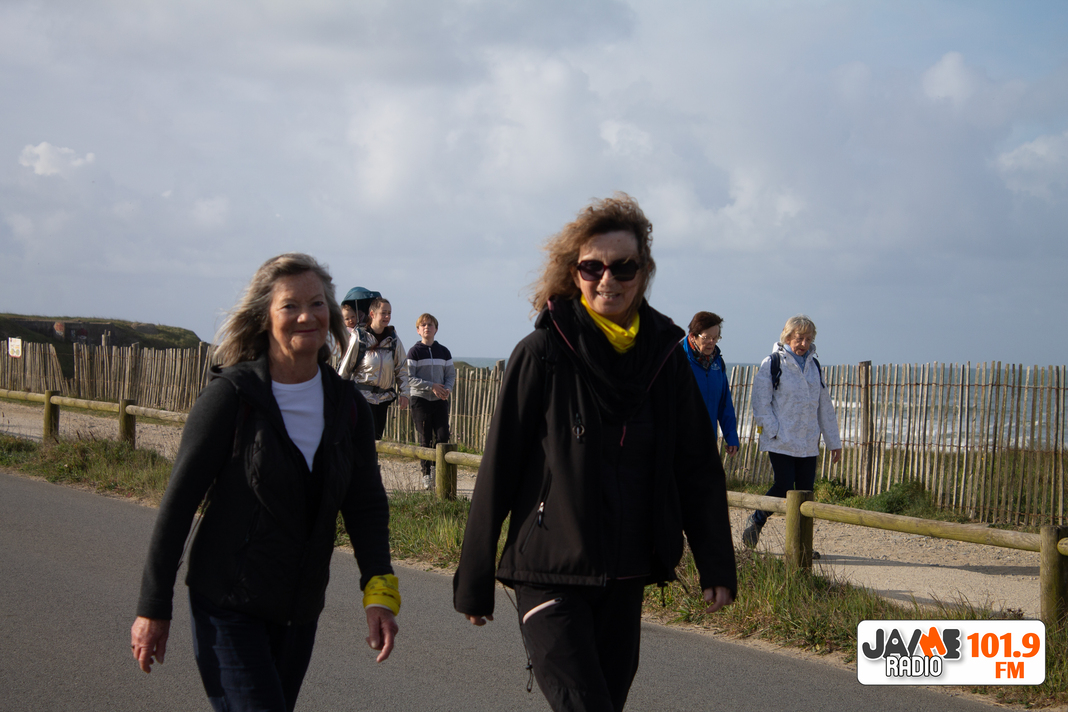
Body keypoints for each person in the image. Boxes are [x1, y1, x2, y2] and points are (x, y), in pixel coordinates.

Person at [453, 194, 737, 712]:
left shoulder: (665, 360)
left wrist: (715, 562)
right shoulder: (541, 354)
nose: (608, 279)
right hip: (548, 571)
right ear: (574, 273)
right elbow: (500, 467)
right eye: (593, 267)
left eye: (623, 267)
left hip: (627, 571)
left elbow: (696, 465)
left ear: (643, 273)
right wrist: (474, 578)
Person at [130, 253, 400, 712]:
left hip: (299, 612)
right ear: (264, 317)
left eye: (316, 304)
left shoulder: (347, 406)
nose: (306, 316)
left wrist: (380, 593)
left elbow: (366, 505)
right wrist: (153, 606)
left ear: (331, 314)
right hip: (228, 604)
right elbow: (179, 504)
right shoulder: (232, 397)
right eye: (290, 305)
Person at [743, 314, 842, 552]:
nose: (804, 343)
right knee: (784, 485)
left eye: (808, 339)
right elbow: (760, 402)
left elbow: (824, 406)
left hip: (808, 442)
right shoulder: (773, 362)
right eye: (799, 338)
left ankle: (802, 547)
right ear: (788, 337)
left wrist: (833, 442)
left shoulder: (814, 366)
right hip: (781, 440)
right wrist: (773, 430)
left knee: (805, 494)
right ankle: (757, 520)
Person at [339, 297, 409, 440]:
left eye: (389, 313)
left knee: (377, 437)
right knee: (366, 437)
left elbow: (401, 367)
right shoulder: (360, 338)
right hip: (362, 396)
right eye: (383, 313)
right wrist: (339, 393)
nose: (387, 316)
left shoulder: (393, 339)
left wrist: (405, 393)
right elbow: (346, 367)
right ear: (372, 314)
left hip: (384, 398)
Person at [405, 313, 456, 491]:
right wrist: (431, 386)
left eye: (430, 324)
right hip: (420, 399)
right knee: (425, 438)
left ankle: (436, 469)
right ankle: (426, 474)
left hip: (439, 400)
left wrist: (447, 388)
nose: (427, 327)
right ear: (418, 330)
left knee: (443, 436)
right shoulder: (414, 352)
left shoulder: (444, 351)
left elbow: (450, 375)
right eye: (423, 325)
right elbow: (409, 378)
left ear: (436, 329)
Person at [682, 311, 740, 458]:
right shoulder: (676, 360)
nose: (711, 342)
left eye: (715, 338)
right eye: (706, 337)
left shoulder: (717, 363)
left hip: (708, 441)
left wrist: (731, 436)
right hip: (679, 443)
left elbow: (724, 403)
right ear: (693, 336)